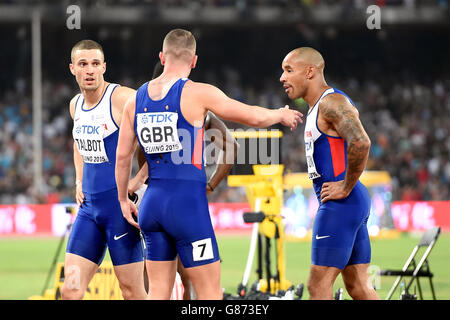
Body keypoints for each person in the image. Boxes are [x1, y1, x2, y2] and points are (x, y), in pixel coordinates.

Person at [115, 28, 302, 300]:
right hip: (187, 207)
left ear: (162, 57)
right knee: (210, 294)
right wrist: (280, 114)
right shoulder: (198, 93)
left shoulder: (136, 99)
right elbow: (248, 115)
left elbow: (122, 157)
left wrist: (122, 199)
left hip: (151, 207)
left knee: (157, 294)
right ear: (194, 61)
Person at [128, 61, 240, 300]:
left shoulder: (143, 108)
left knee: (157, 280)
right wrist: (209, 185)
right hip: (186, 202)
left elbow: (138, 153)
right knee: (199, 279)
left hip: (154, 201)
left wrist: (145, 181)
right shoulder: (195, 107)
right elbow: (231, 146)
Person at [280, 47, 380, 300]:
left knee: (317, 285)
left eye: (288, 70)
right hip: (351, 202)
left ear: (310, 71)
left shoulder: (331, 103)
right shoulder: (319, 107)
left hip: (341, 204)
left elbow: (361, 141)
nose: (282, 77)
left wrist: (345, 186)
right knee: (358, 286)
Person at [61, 39, 147, 300]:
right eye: (83, 64)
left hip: (119, 210)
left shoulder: (123, 99)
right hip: (89, 210)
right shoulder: (75, 105)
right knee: (70, 291)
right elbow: (78, 144)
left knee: (132, 292)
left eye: (95, 64)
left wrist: (137, 181)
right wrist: (78, 181)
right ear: (72, 68)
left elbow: (159, 141)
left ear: (104, 67)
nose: (90, 70)